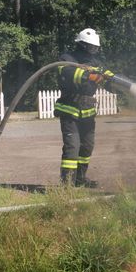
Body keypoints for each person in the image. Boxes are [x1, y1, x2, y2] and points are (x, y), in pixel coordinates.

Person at [55, 28, 117, 187]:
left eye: (96, 47)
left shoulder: (96, 63)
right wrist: (89, 75)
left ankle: (80, 179)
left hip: (88, 112)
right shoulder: (67, 58)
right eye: (91, 47)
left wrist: (114, 81)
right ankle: (67, 184)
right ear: (82, 45)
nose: (94, 50)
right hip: (70, 110)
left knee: (87, 146)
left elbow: (107, 75)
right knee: (72, 147)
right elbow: (69, 73)